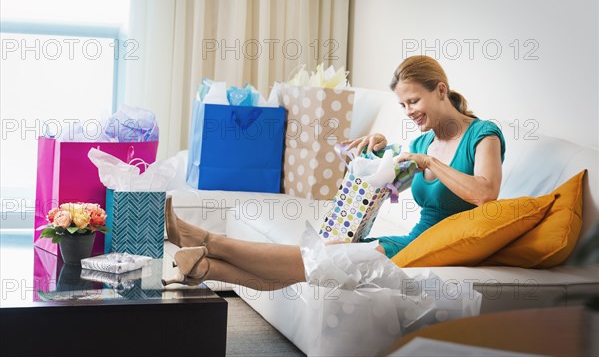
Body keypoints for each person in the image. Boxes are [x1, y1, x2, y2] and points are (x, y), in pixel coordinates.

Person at [162, 55, 506, 289]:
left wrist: (429, 162)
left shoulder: (482, 134)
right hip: (416, 240)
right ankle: (206, 267)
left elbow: (485, 192)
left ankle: (205, 240)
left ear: (441, 90)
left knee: (322, 257)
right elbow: (392, 183)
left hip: (439, 248)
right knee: (320, 262)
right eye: (403, 105)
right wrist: (379, 152)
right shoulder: (423, 141)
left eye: (414, 101)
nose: (409, 111)